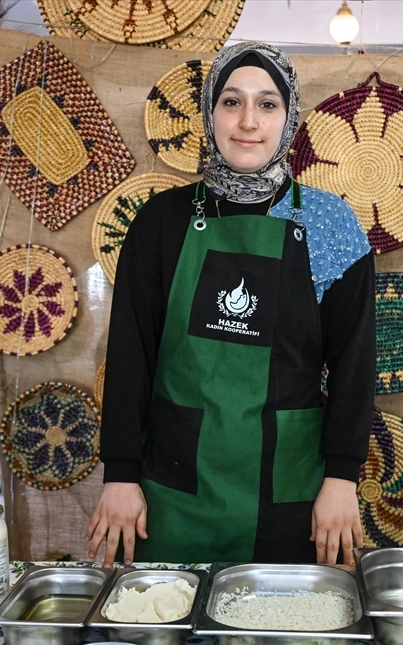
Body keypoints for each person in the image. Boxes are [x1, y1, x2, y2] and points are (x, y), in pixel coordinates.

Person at [86, 42, 375, 569]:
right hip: (172, 490)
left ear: (289, 118)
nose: (248, 121)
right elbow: (131, 356)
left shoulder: (331, 225)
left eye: (267, 104)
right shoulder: (160, 222)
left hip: (291, 493)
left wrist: (342, 476)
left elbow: (356, 365)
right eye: (231, 101)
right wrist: (120, 472)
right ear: (209, 113)